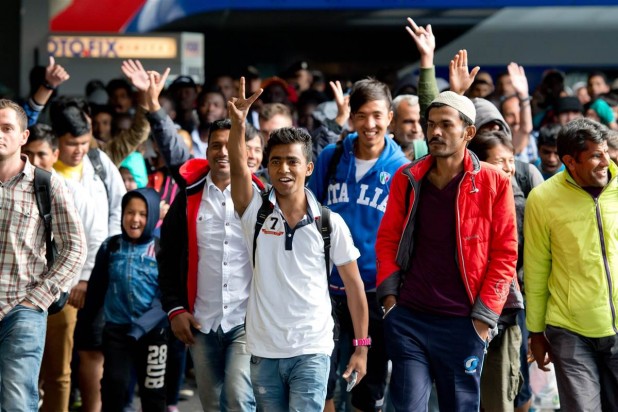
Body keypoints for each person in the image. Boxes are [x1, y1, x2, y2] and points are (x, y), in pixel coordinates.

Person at [227, 78, 369, 412]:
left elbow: (354, 287)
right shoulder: (255, 212)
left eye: (292, 161)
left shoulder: (329, 223)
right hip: (263, 349)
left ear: (307, 168)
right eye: (275, 161)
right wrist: (237, 125)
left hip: (313, 347)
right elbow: (236, 172)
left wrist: (361, 347)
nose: (283, 169)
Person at [376, 91, 518, 411]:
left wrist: (483, 318)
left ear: (468, 132)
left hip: (463, 321)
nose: (435, 132)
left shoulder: (494, 182)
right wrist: (390, 301)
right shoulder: (408, 177)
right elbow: (387, 240)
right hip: (410, 316)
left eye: (446, 125)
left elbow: (505, 253)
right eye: (431, 125)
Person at [308, 77, 408, 412]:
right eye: (362, 115)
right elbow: (310, 213)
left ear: (390, 117)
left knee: (368, 386)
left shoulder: (402, 170)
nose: (370, 124)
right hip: (326, 288)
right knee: (322, 381)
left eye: (378, 115)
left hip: (374, 291)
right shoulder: (331, 157)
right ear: (351, 118)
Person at [158, 119, 261, 412]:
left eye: (230, 145)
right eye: (216, 145)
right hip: (201, 321)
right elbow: (167, 257)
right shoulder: (188, 197)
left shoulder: (262, 197)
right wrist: (175, 308)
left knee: (240, 397)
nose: (223, 152)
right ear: (207, 150)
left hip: (247, 321)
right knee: (213, 404)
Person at [524, 118, 618, 412]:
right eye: (594, 155)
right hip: (569, 329)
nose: (605, 161)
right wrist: (536, 333)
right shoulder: (542, 199)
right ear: (569, 161)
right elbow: (537, 269)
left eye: (606, 152)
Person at [0, 99, 86, 410]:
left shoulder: (46, 184)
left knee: (17, 400)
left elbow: (75, 245)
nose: (0, 134)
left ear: (23, 136)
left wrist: (38, 298)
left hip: (22, 309)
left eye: (7, 128)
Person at [22, 124, 104, 412]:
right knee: (19, 373)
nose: (35, 160)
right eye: (29, 153)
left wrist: (81, 281)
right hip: (16, 294)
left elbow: (93, 238)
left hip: (60, 294)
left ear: (54, 154)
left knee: (58, 371)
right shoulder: (11, 185)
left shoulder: (70, 189)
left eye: (42, 154)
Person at [79, 188, 168, 412]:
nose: (135, 219)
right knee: (113, 389)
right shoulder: (110, 247)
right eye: (130, 212)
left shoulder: (161, 250)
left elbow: (168, 296)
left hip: (154, 335)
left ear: (154, 217)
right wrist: (84, 328)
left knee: (153, 394)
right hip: (116, 332)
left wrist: (143, 326)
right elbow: (96, 292)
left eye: (143, 214)